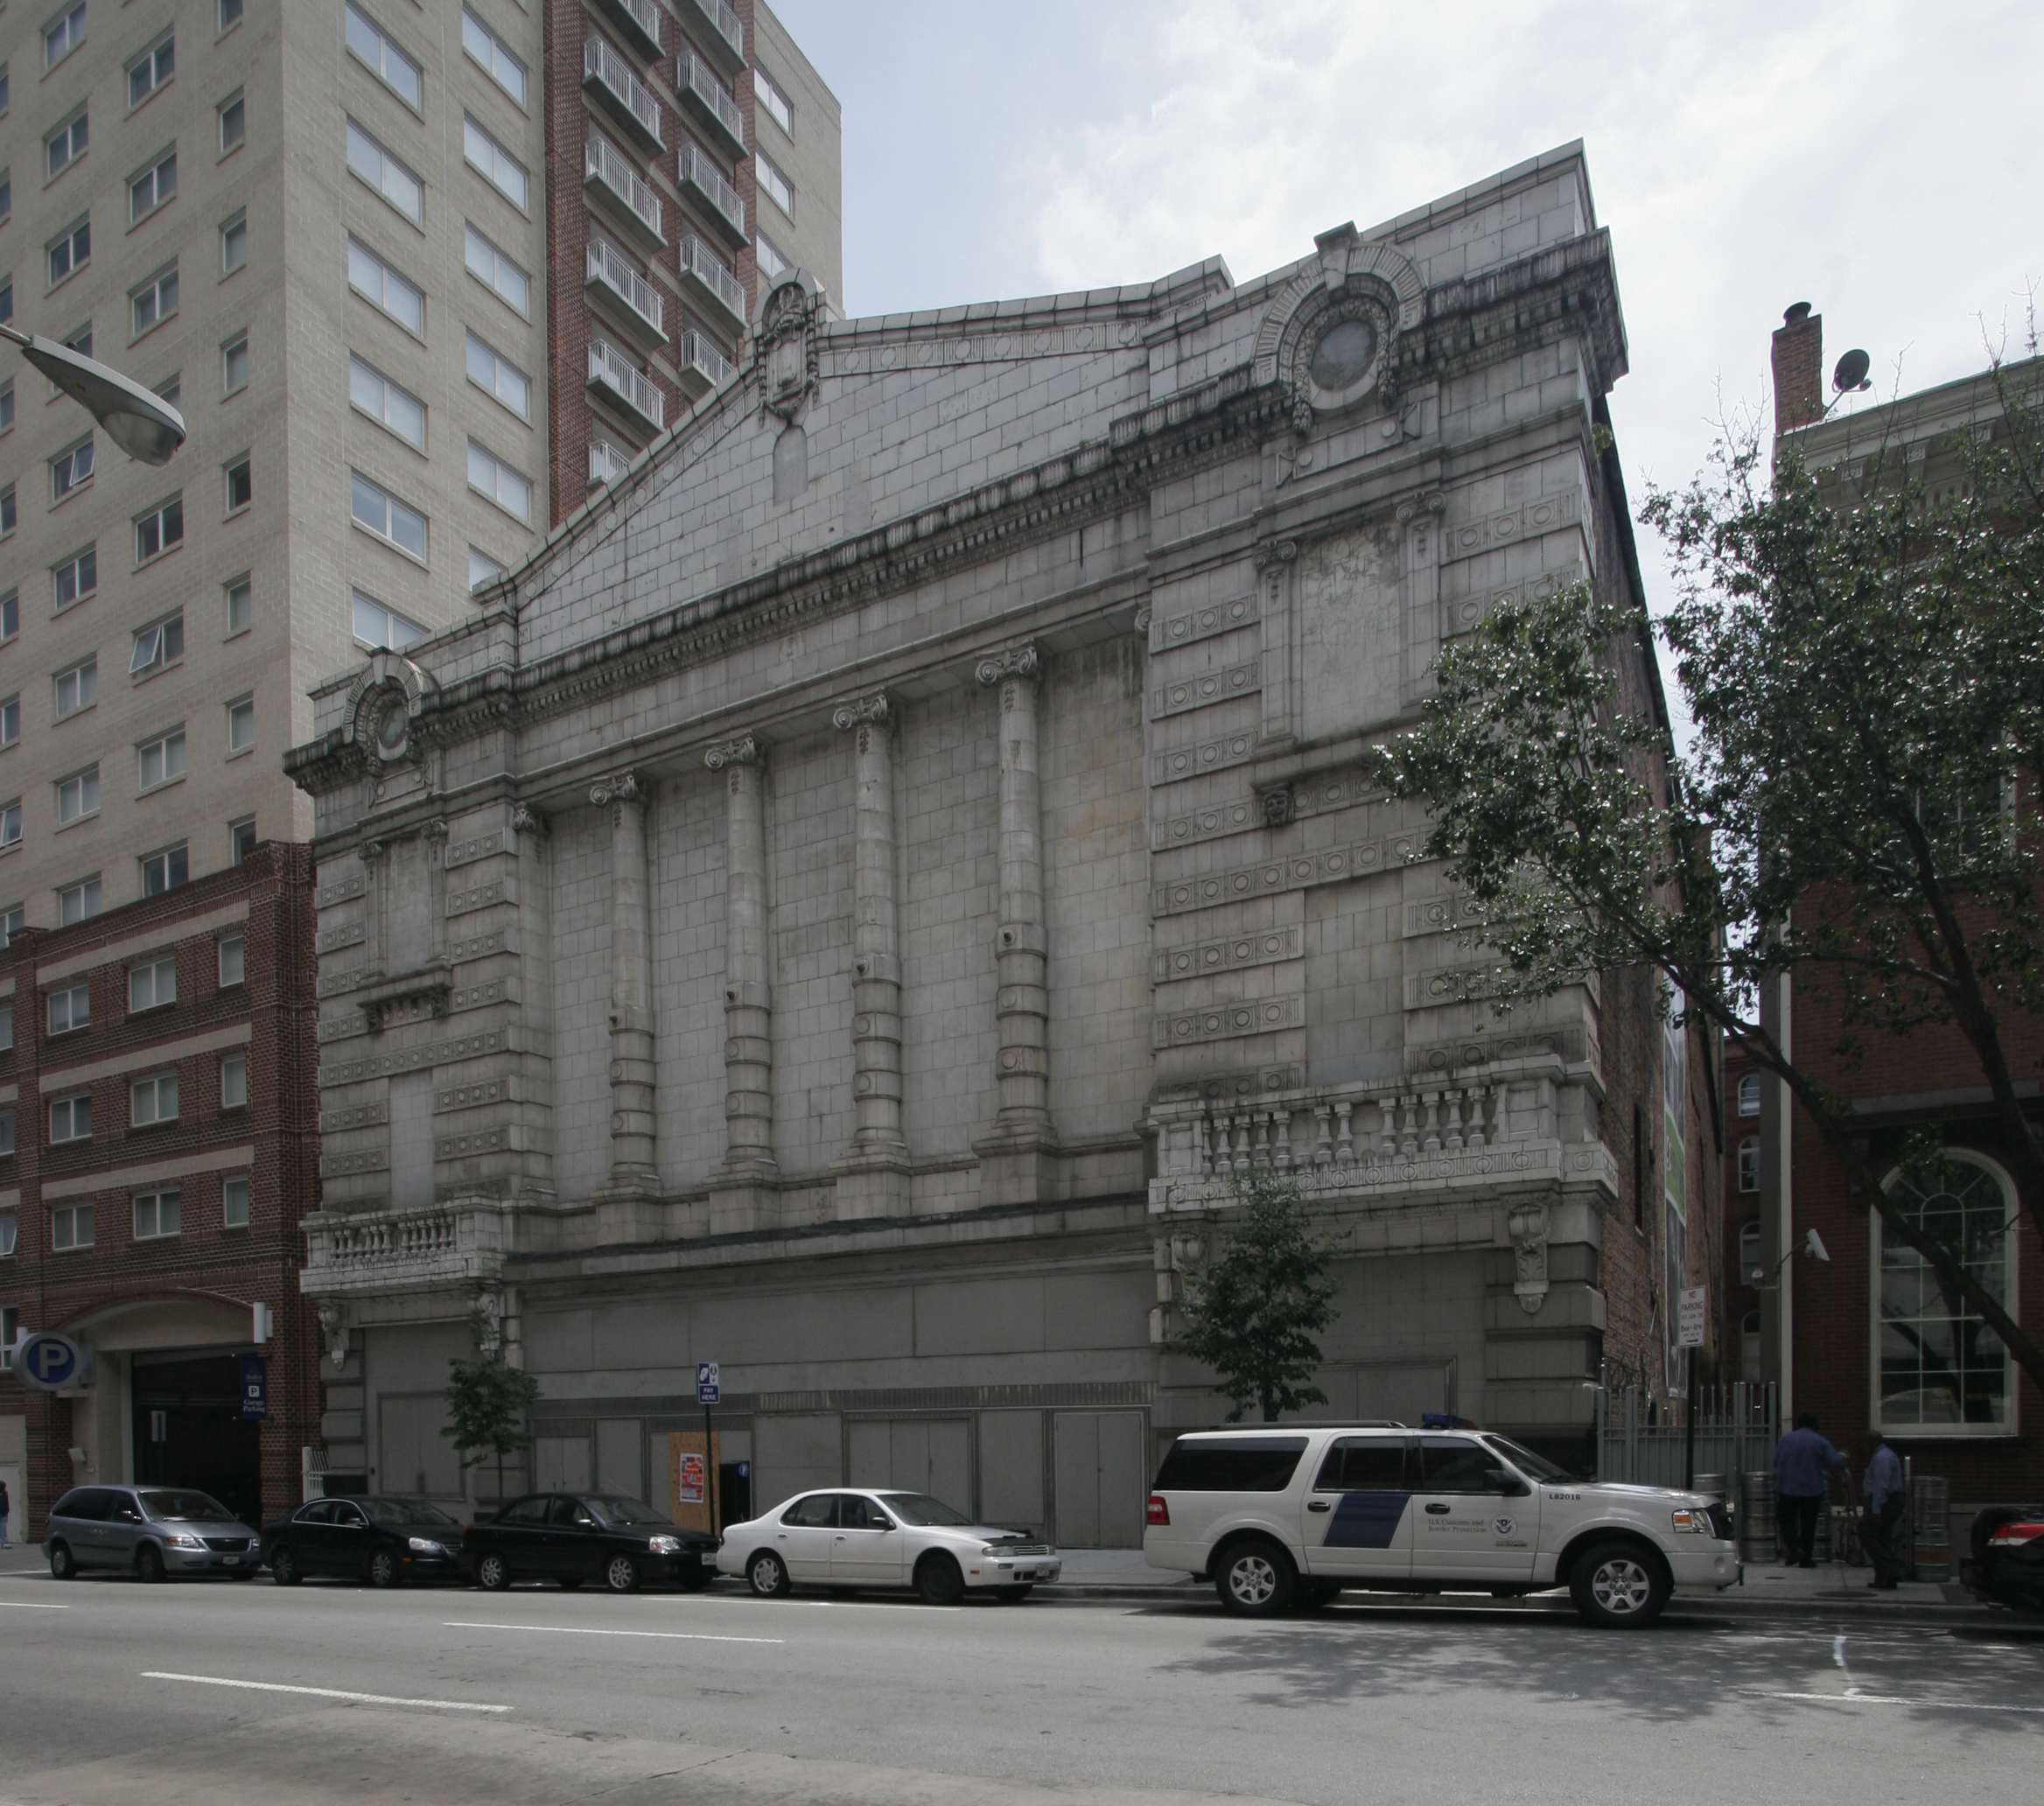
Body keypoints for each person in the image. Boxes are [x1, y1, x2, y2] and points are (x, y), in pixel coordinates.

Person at [1773, 1411, 1845, 1568]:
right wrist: (1843, 1457)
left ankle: (1794, 1548)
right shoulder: (1820, 1441)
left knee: (1785, 1519)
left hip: (1788, 1487)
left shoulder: (1786, 1439)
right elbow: (1834, 1461)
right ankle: (1806, 1558)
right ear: (1814, 1425)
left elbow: (1775, 1461)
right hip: (1812, 1489)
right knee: (1809, 1525)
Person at [1862, 1430, 1907, 1589]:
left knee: (1866, 1533)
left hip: (1886, 1502)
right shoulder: (1885, 1455)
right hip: (1890, 1500)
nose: (1864, 1447)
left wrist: (1875, 1510)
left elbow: (1881, 1486)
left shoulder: (1881, 1458)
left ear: (1872, 1442)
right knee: (1883, 1538)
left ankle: (1890, 1570)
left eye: (1866, 1443)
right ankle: (1884, 1578)